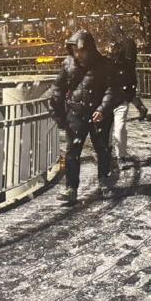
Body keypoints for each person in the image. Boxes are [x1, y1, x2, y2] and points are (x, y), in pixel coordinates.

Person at [50, 30, 119, 204]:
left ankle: (105, 182)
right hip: (76, 114)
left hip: (99, 115)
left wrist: (103, 109)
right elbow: (58, 88)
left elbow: (112, 89)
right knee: (72, 153)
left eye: (81, 50)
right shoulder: (68, 64)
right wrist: (58, 113)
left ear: (90, 49)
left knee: (102, 149)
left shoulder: (105, 65)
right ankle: (71, 188)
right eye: (75, 51)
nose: (78, 54)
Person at [108, 26, 140, 165]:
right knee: (118, 128)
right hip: (118, 96)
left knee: (113, 128)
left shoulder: (118, 62)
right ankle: (118, 154)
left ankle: (113, 154)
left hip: (115, 97)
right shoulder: (127, 62)